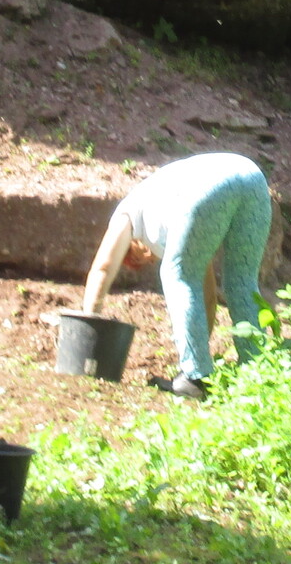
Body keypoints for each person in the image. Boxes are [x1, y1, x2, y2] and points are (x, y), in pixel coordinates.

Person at [82, 152, 273, 400]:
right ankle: (259, 372)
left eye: (135, 258)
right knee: (241, 282)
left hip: (211, 184)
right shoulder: (173, 225)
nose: (147, 260)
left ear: (131, 245)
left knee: (177, 275)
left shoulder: (128, 212)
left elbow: (103, 268)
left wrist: (87, 328)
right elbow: (207, 299)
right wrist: (201, 353)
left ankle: (194, 379)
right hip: (252, 178)